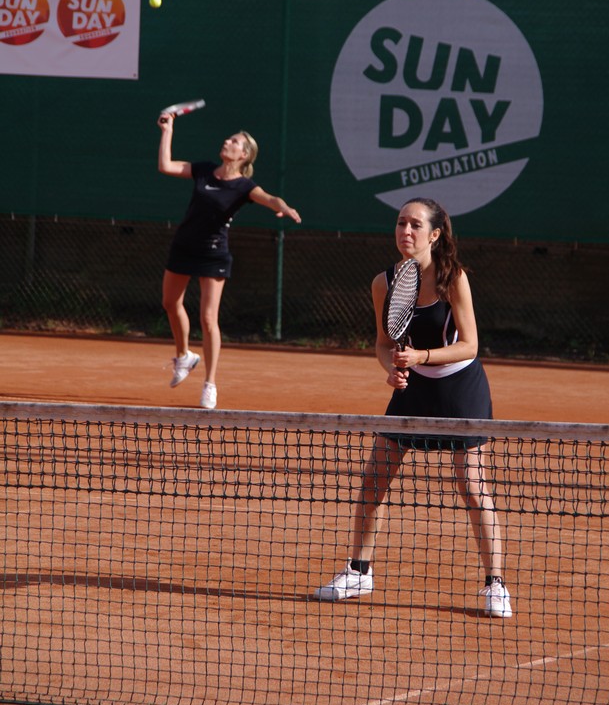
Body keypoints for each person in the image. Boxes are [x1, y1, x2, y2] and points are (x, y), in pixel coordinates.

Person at [314, 196, 512, 618]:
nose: (406, 231)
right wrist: (392, 370)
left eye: (415, 225)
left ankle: (496, 584)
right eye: (401, 223)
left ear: (435, 234)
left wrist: (420, 356)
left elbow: (470, 344)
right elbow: (383, 344)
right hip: (414, 388)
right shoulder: (383, 283)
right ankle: (359, 571)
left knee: (471, 485)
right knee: (374, 479)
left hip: (460, 387)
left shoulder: (453, 278)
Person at [157, 111, 301, 409]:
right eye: (228, 139)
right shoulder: (204, 170)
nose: (227, 142)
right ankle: (184, 356)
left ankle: (209, 384)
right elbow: (166, 166)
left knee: (208, 318)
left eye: (234, 141)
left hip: (213, 253)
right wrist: (167, 130)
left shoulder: (244, 187)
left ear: (244, 154)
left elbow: (270, 198)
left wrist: (284, 207)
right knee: (170, 303)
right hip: (183, 246)